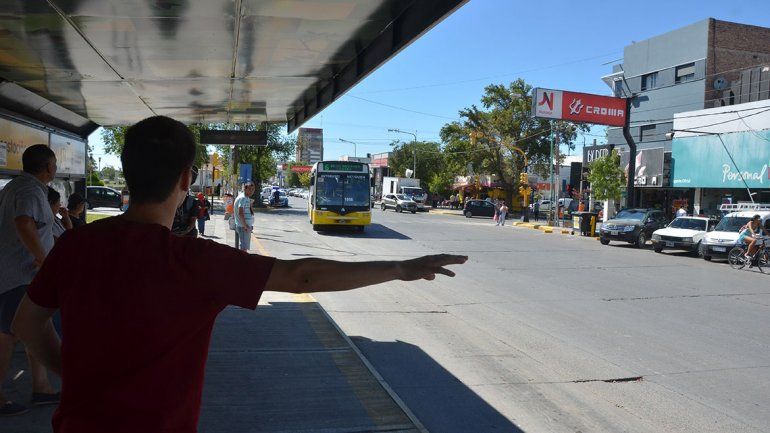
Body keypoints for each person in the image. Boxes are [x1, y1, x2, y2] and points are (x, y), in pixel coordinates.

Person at [10, 115, 466, 432]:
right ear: (187, 179)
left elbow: (26, 324)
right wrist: (400, 267)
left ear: (127, 173)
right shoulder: (191, 260)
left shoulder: (76, 245)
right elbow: (301, 278)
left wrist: (73, 373)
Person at [0, 144, 60, 416]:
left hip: (17, 273)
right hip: (20, 275)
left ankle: (42, 387)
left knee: (35, 327)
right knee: (7, 334)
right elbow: (24, 222)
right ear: (49, 166)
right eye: (54, 164)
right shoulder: (30, 190)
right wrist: (43, 259)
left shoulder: (13, 187)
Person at [234, 182, 256, 251]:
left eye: (253, 189)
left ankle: (242, 260)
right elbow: (241, 213)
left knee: (244, 246)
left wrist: (250, 204)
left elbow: (251, 213)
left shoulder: (246, 198)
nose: (251, 191)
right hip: (243, 226)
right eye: (249, 189)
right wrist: (245, 225)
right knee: (244, 246)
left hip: (245, 226)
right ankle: (242, 261)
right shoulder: (243, 198)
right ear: (245, 189)